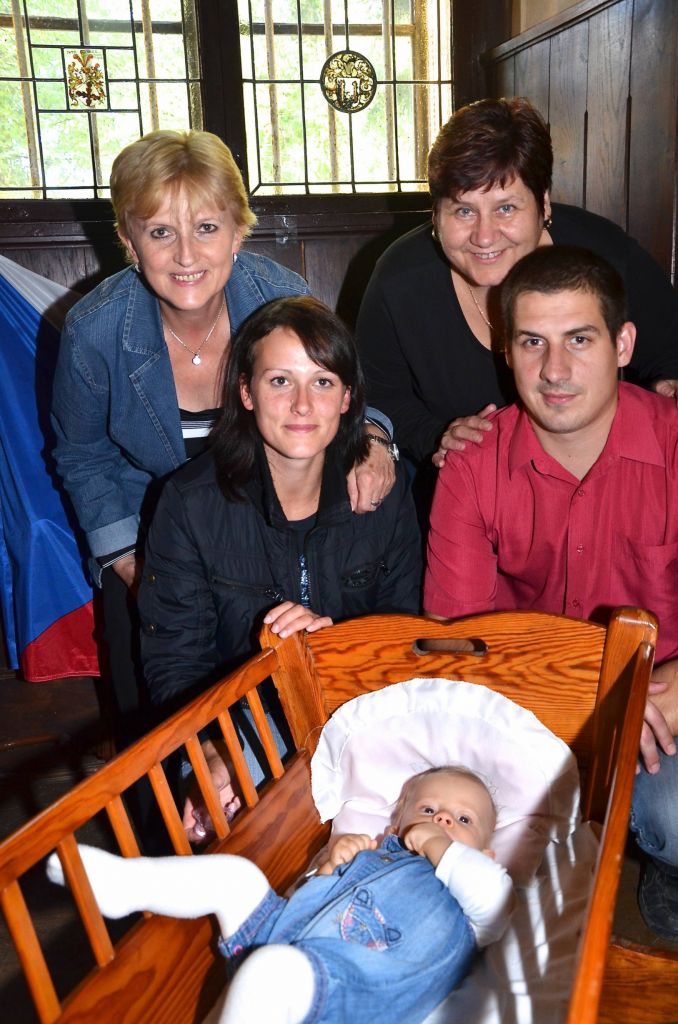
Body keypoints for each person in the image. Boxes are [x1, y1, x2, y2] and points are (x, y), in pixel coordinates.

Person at [51, 129, 395, 752]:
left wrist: (375, 437)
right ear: (128, 240)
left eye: (207, 228)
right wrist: (135, 565)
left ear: (239, 231)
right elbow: (82, 456)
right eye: (160, 232)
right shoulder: (94, 332)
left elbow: (340, 391)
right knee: (156, 723)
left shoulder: (282, 299)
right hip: (144, 526)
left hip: (265, 523)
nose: (186, 254)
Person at [423, 245, 678, 942]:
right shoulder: (472, 463)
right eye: (533, 342)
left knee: (672, 818)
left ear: (623, 345)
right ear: (506, 351)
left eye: (580, 340)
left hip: (658, 702)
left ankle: (663, 866)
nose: (554, 371)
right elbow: (454, 643)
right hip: (524, 701)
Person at [137, 295, 421, 840]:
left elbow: (404, 639)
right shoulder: (189, 503)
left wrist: (329, 652)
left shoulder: (383, 493)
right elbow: (176, 664)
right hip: (239, 720)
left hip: (360, 712)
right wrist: (213, 753)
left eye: (322, 382)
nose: (302, 405)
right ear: (246, 392)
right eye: (280, 381)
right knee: (218, 814)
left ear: (347, 398)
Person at [356, 97, 678, 482]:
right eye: (463, 210)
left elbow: (669, 347)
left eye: (506, 208)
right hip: (462, 480)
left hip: (600, 475)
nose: (484, 236)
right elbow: (380, 395)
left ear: (544, 204)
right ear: (435, 215)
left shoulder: (606, 256)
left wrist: (667, 385)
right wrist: (438, 436)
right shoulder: (399, 281)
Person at [46, 766, 514, 1024]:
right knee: (238, 877)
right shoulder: (375, 852)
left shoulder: (474, 904)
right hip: (283, 938)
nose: (443, 820)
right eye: (428, 809)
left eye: (463, 820)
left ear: (488, 854)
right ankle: (124, 886)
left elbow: (494, 897)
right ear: (396, 825)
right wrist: (331, 867)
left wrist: (436, 844)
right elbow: (310, 901)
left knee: (272, 971)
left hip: (347, 999)